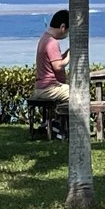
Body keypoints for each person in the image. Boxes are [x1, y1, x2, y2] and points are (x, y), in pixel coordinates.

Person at [33, 9, 73, 137]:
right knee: (79, 93)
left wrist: (63, 55)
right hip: (49, 88)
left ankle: (57, 124)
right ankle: (61, 126)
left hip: (41, 87)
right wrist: (68, 58)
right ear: (62, 27)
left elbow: (52, 61)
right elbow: (57, 66)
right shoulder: (52, 43)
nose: (67, 34)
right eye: (68, 30)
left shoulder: (44, 38)